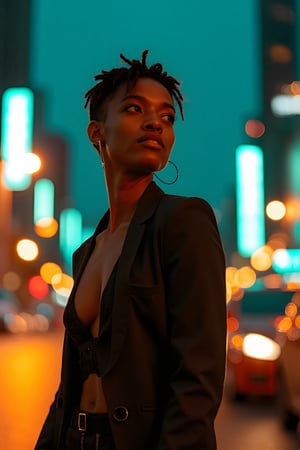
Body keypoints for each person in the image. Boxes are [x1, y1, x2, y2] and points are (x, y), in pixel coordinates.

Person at [35, 50, 227, 450]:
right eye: (134, 108)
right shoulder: (88, 250)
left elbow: (197, 379)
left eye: (167, 117)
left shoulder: (182, 221)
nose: (156, 122)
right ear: (97, 132)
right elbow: (67, 385)